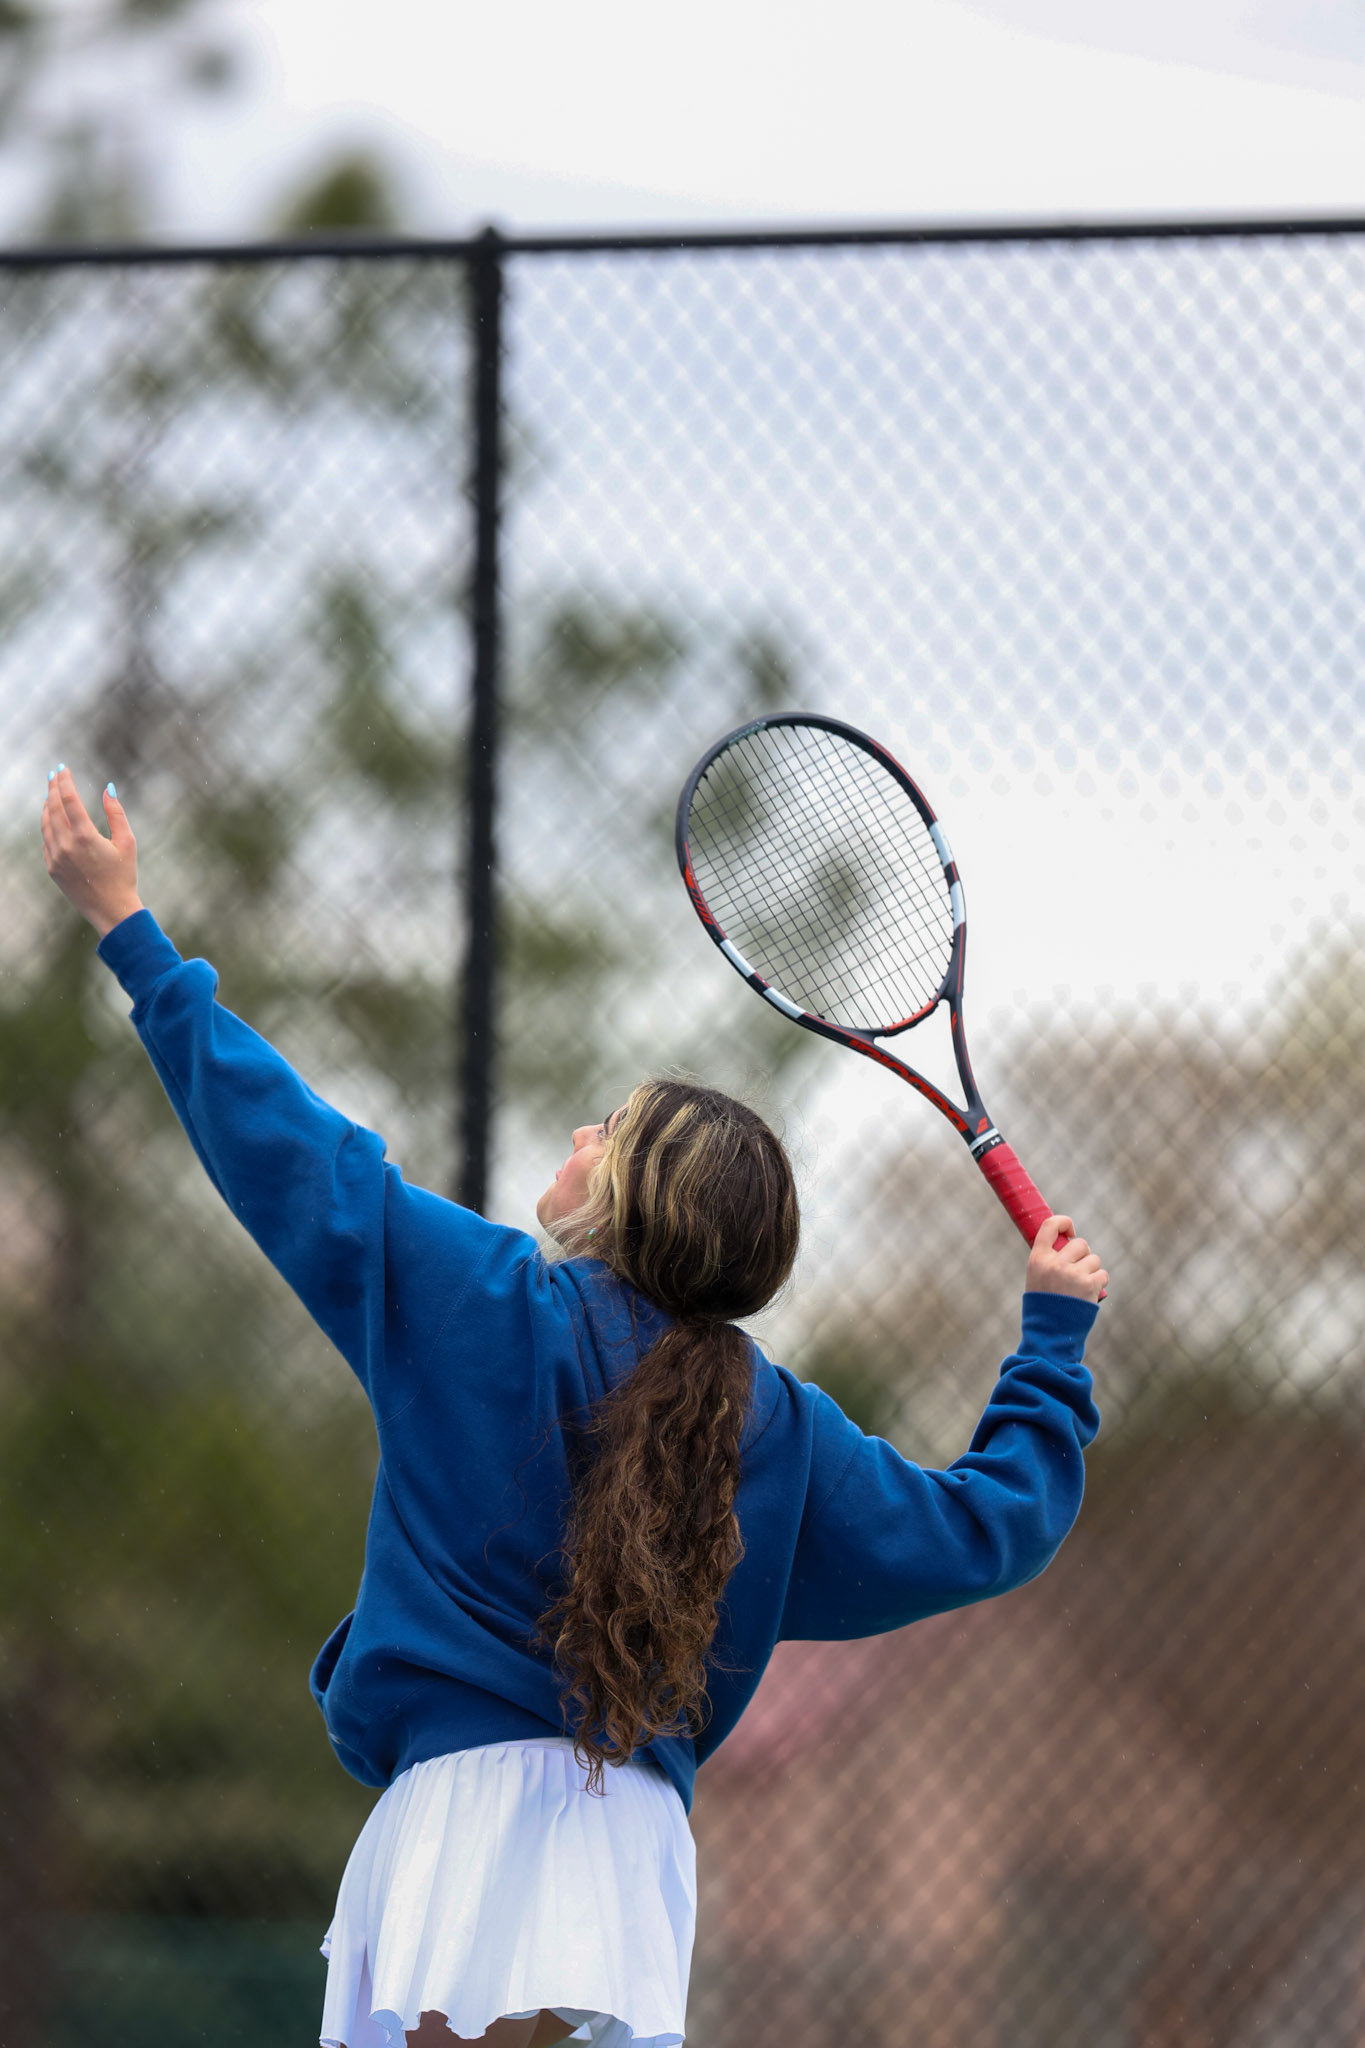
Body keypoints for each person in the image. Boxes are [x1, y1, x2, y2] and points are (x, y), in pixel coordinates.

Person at [40, 767, 1108, 2048]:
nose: (577, 1133)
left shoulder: (481, 1303)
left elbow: (288, 1146)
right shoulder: (779, 1423)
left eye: (607, 1128)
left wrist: (131, 933)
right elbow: (987, 1528)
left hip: (471, 1817)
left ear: (634, 1197)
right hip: (626, 1855)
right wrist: (1050, 1342)